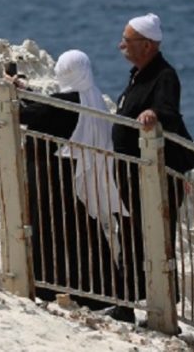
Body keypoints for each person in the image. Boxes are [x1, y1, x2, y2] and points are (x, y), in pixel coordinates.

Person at [13, 50, 127, 308]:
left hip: (53, 179)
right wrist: (26, 90)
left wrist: (11, 93)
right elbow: (48, 107)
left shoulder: (64, 104)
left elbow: (27, 115)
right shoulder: (92, 98)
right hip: (80, 177)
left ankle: (47, 287)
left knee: (50, 231)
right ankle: (102, 291)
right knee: (83, 234)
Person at [107, 13, 194, 324]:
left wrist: (153, 114)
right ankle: (125, 304)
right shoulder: (139, 73)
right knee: (132, 237)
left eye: (127, 40)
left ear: (147, 45)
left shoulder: (164, 76)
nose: (121, 45)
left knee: (158, 240)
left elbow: (168, 111)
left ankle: (164, 311)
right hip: (133, 173)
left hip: (153, 175)